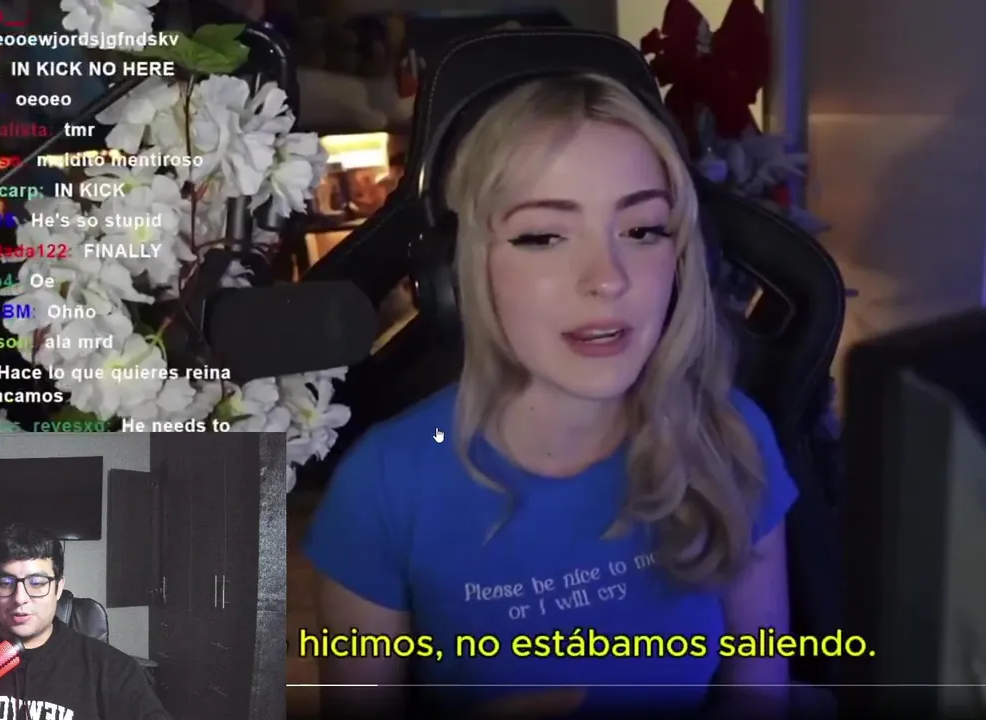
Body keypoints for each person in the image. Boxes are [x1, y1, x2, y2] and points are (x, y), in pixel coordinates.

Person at [305, 73, 798, 718]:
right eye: (543, 236)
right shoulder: (383, 484)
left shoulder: (729, 439)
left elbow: (760, 692)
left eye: (643, 230)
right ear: (465, 270)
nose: (607, 279)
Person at [0, 524, 170, 720]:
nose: (20, 598)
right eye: (6, 582)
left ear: (58, 587)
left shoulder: (110, 669)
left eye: (37, 582)